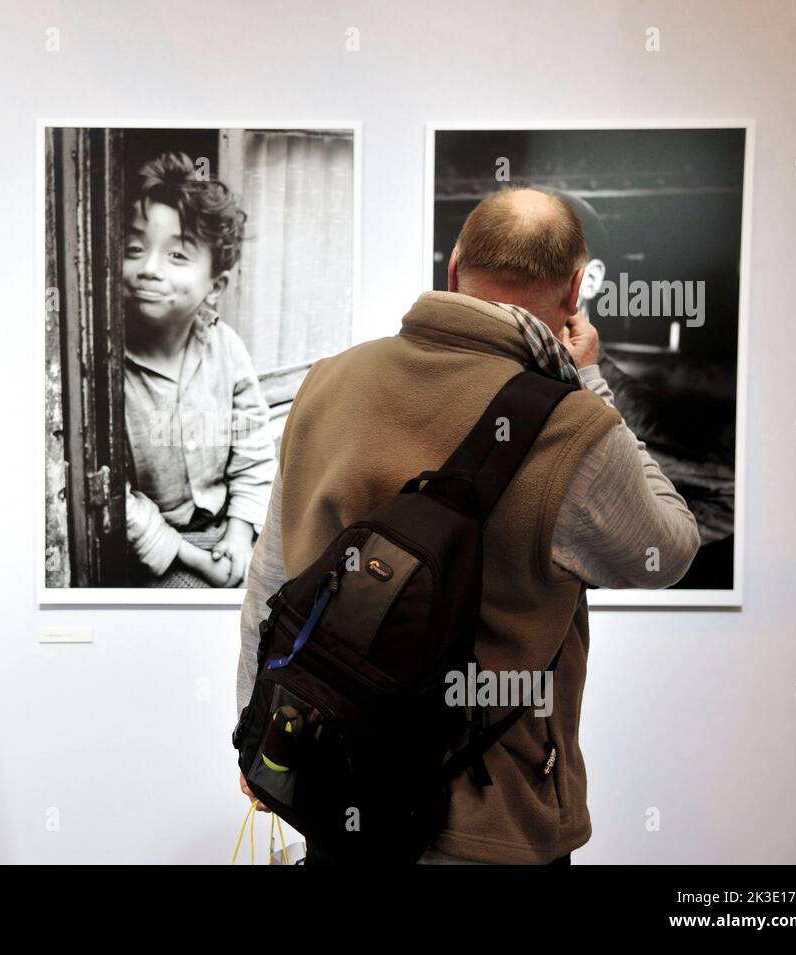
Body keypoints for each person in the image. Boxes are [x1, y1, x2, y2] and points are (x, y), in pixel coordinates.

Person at [235, 186, 701, 863]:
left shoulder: (328, 382)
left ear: (453, 273)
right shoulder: (576, 427)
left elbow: (269, 583)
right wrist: (592, 380)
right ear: (575, 292)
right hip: (497, 824)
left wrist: (259, 742)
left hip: (339, 797)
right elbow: (672, 548)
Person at [121, 152, 276, 588]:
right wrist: (190, 556)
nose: (149, 269)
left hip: (227, 530)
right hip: (151, 549)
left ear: (216, 285)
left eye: (176, 255)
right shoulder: (104, 367)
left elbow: (254, 449)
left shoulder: (224, 347)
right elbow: (112, 497)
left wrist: (241, 532)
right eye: (134, 249)